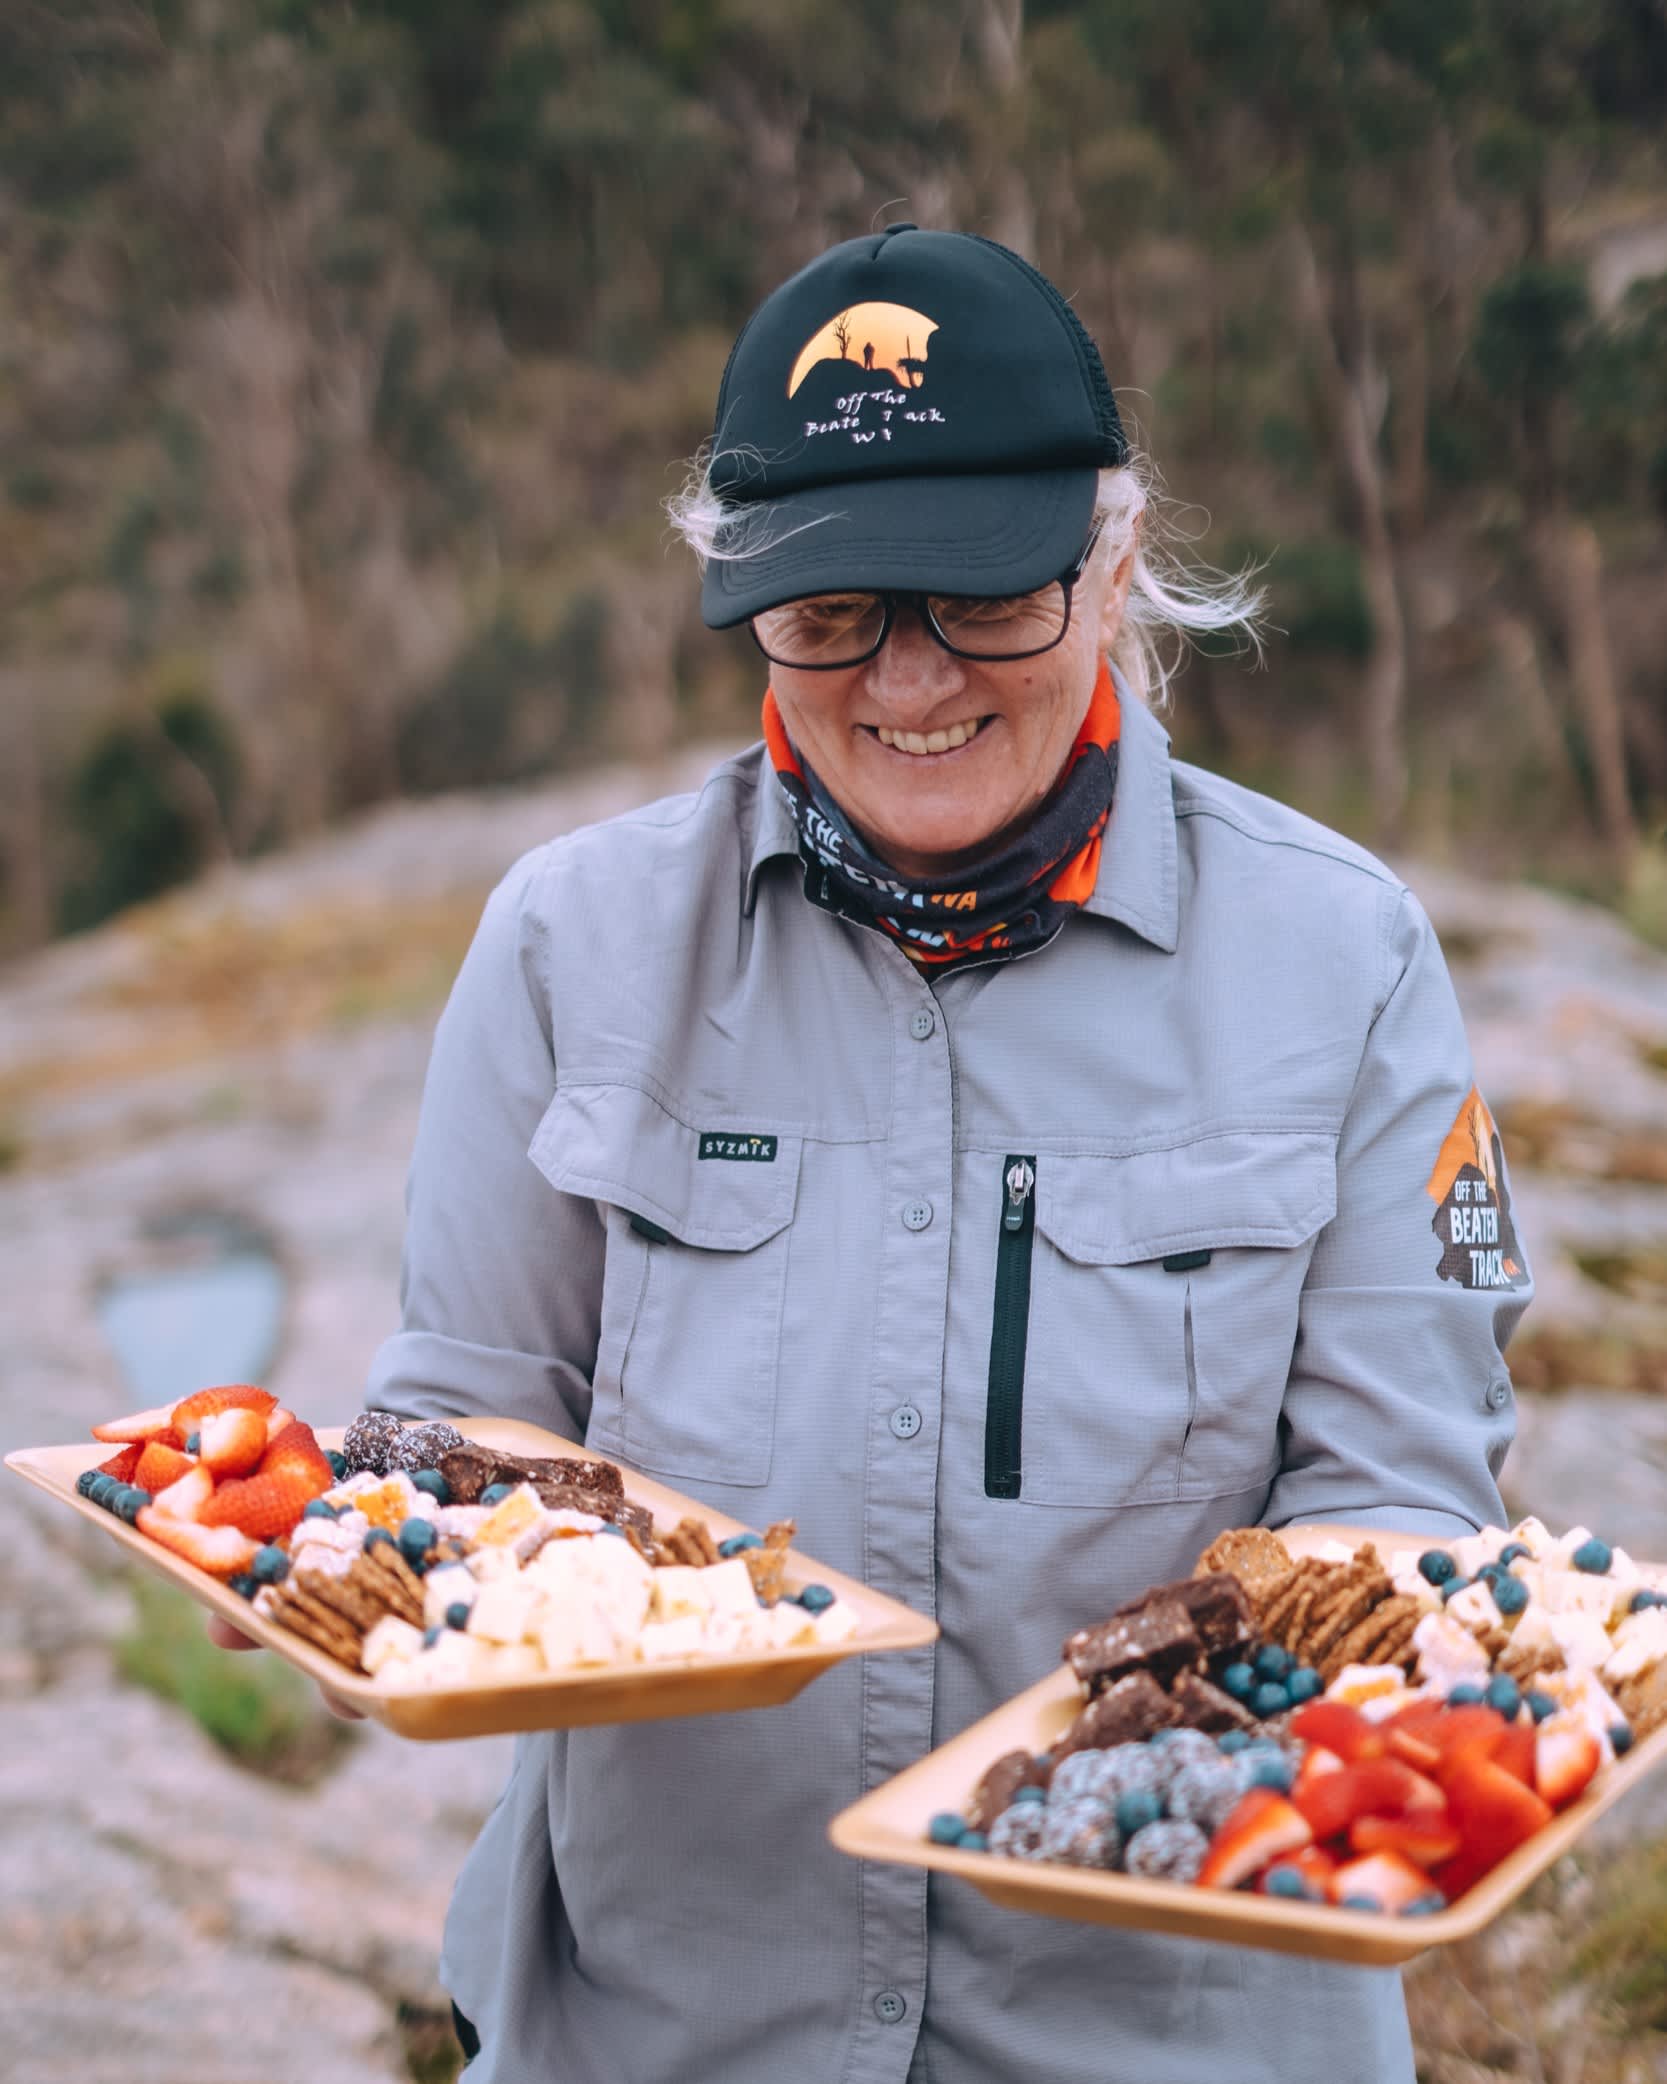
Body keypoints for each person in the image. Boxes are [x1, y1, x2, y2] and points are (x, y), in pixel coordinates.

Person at [220, 226, 1531, 2082]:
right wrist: (398, 1568)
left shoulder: (1351, 961)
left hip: (1175, 2042)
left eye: (981, 597)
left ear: (1112, 563)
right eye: (831, 612)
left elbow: (1402, 1508)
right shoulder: (562, 948)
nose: (906, 684)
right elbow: (463, 1421)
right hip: (662, 2034)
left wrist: (1179, 1731)